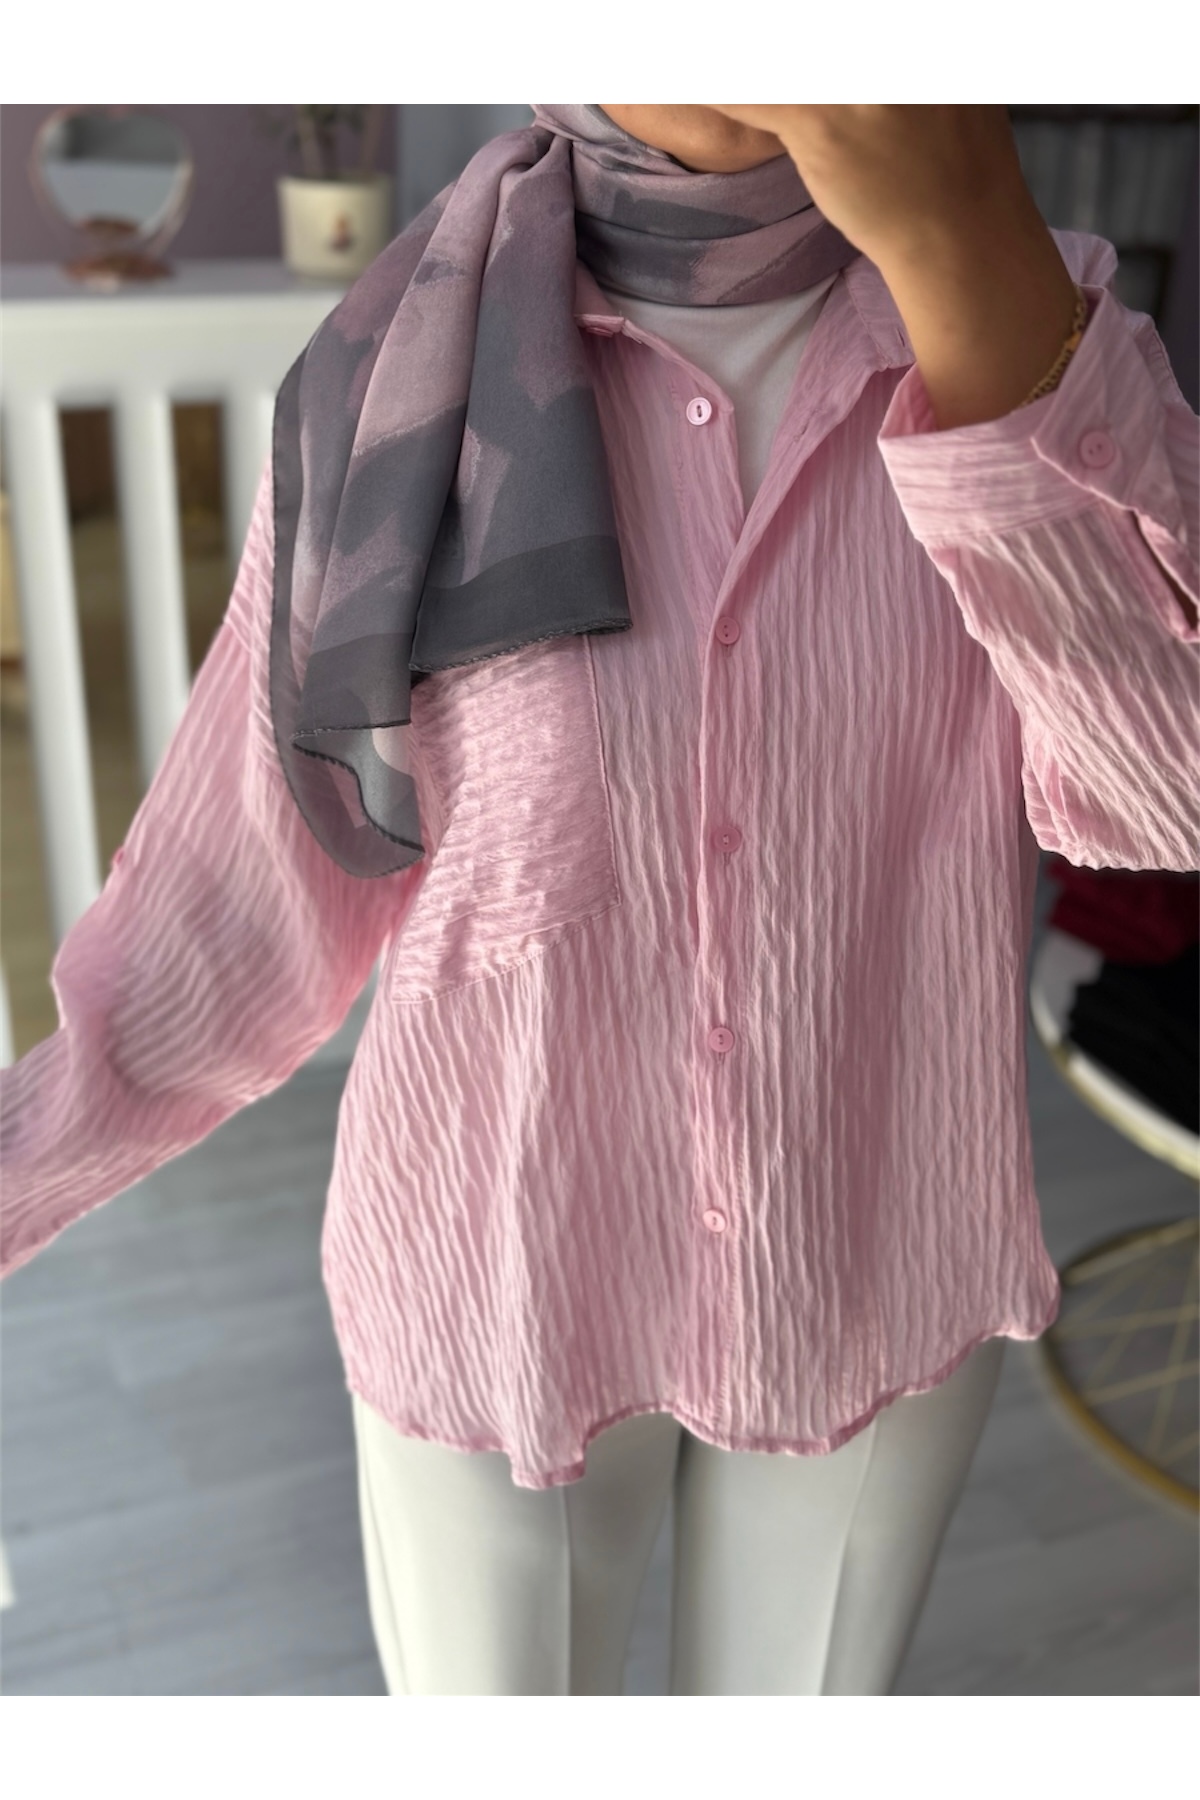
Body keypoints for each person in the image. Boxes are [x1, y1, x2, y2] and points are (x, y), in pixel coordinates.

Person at [2, 105, 1197, 1696]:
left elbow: (1164, 800)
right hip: (495, 1281)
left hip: (874, 1254)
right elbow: (237, 908)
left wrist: (972, 276)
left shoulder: (1054, 335)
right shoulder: (392, 381)